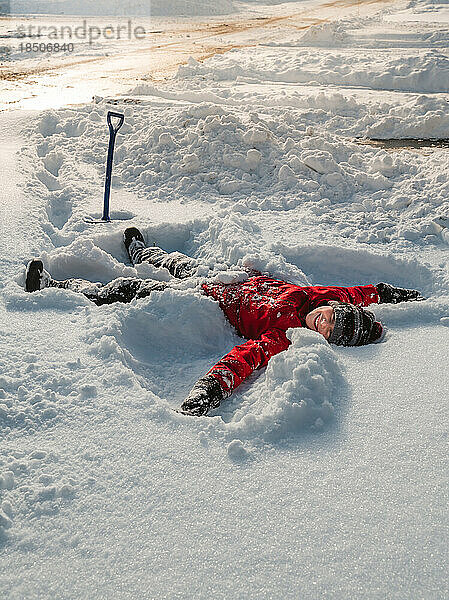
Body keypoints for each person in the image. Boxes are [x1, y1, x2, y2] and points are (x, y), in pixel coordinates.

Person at [24, 227, 424, 416]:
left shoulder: (282, 337)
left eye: (327, 331)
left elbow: (243, 359)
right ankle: (141, 249)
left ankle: (54, 285)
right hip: (224, 278)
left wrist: (210, 389)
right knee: (171, 262)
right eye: (333, 317)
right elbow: (364, 292)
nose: (323, 320)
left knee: (131, 290)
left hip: (206, 303)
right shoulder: (323, 297)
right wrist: (398, 295)